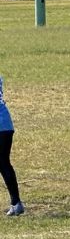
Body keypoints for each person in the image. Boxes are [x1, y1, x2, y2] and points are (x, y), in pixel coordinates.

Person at [0, 73, 24, 216]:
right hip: (6, 124)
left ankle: (16, 203)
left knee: (2, 163)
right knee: (3, 163)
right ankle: (16, 203)